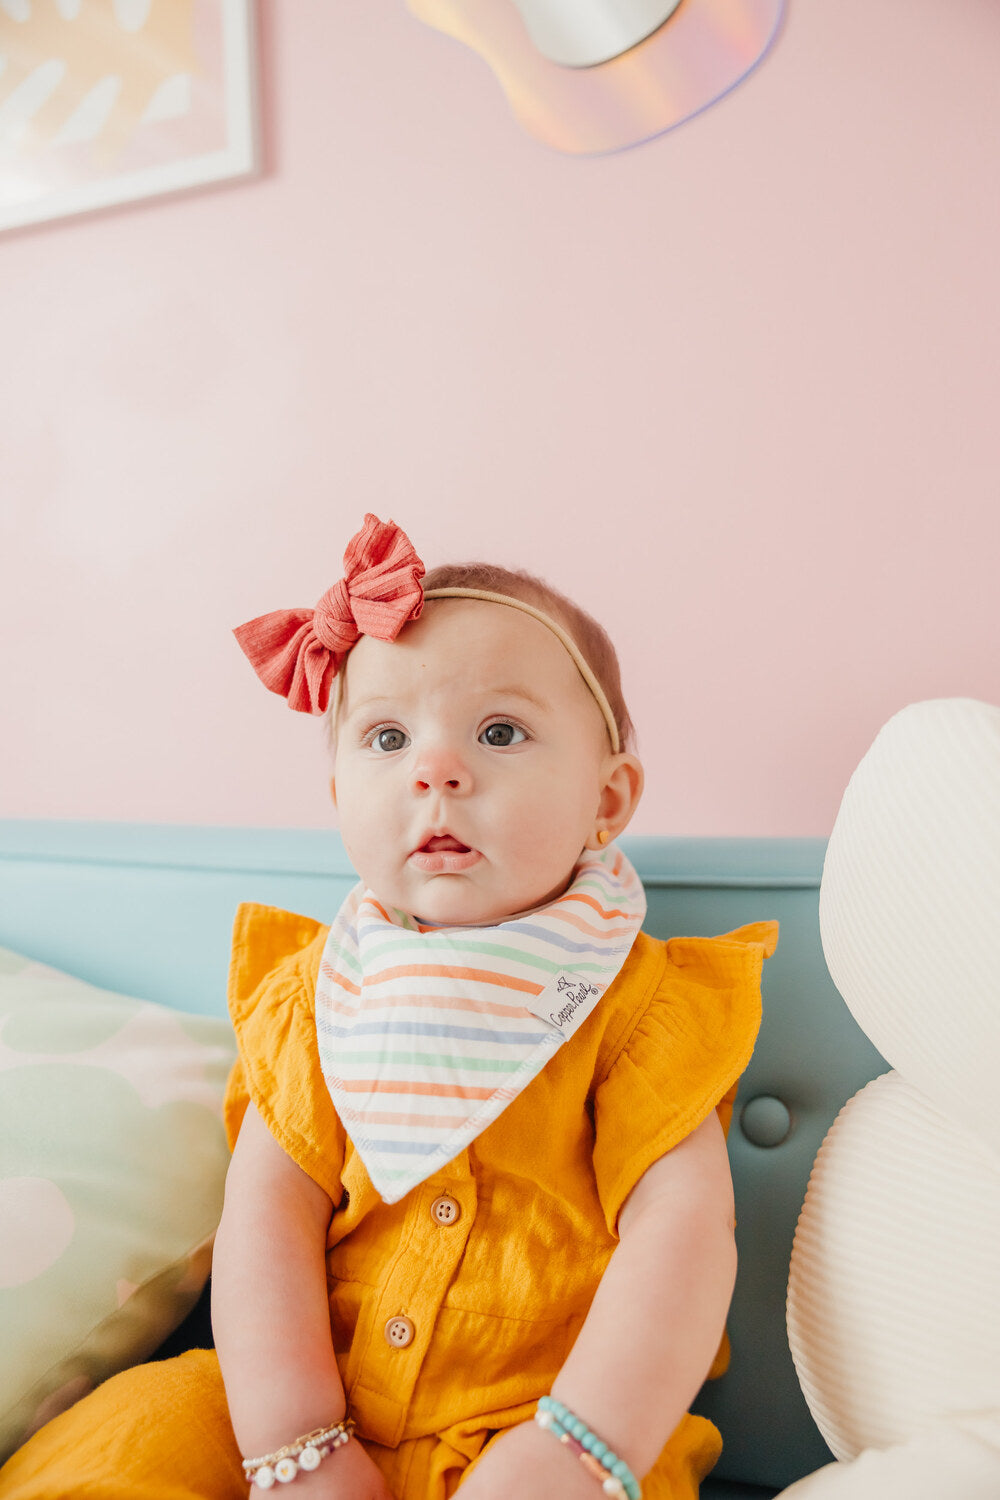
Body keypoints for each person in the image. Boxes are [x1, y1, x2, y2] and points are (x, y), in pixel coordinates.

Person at [0, 515, 776, 1500]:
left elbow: (681, 1227)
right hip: (308, 1411)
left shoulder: (641, 1004)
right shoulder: (318, 994)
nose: (434, 770)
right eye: (386, 736)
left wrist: (583, 1446)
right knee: (132, 1436)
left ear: (607, 799)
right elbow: (268, 1218)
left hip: (539, 1425)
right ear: (337, 792)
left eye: (499, 732)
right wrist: (297, 1445)